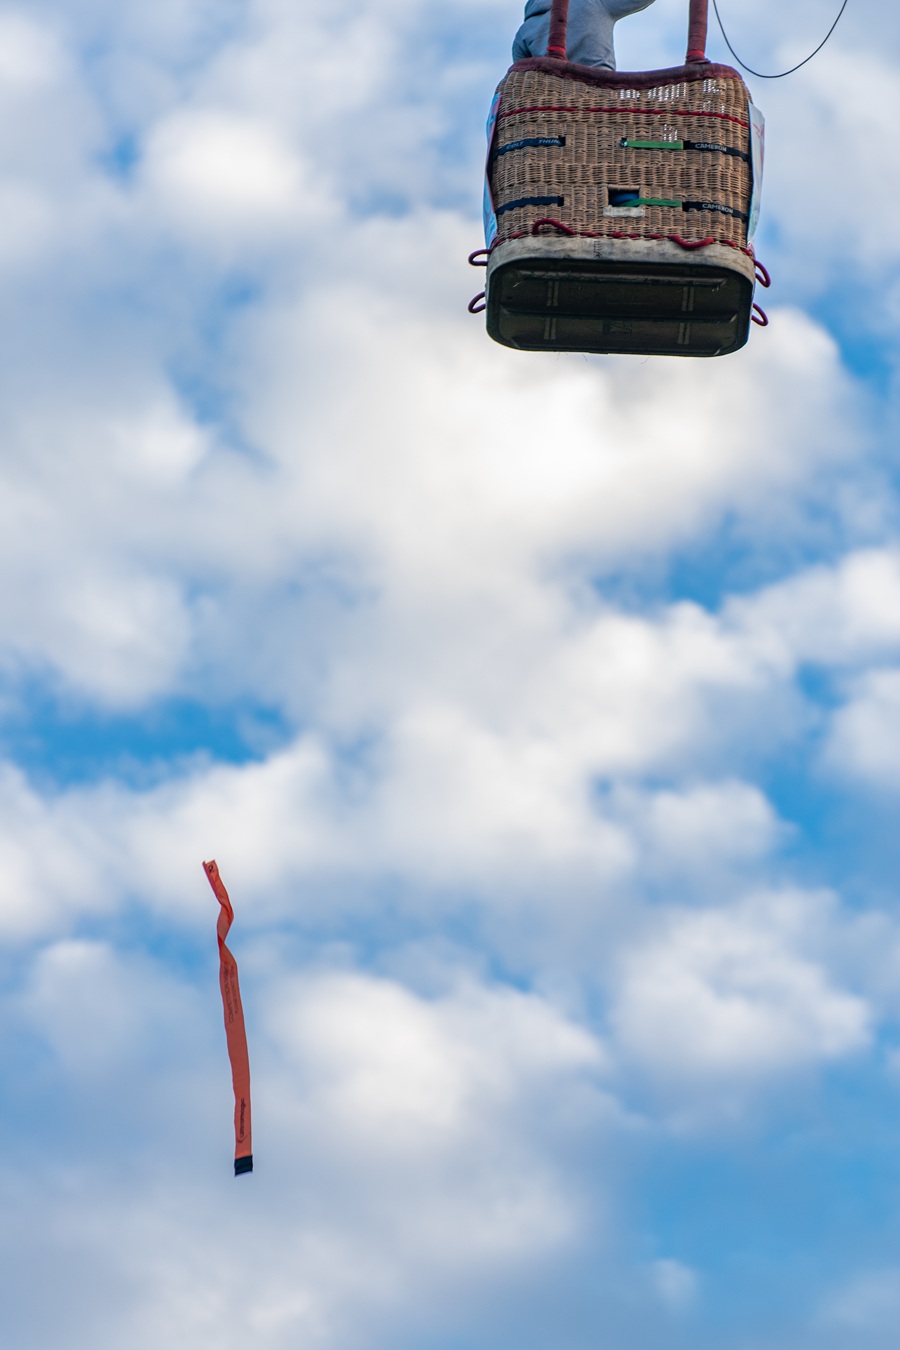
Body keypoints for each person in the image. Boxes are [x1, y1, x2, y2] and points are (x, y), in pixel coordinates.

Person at [513, 0, 657, 71]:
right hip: (598, 101)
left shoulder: (524, 32)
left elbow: (522, 77)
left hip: (552, 115)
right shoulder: (593, 2)